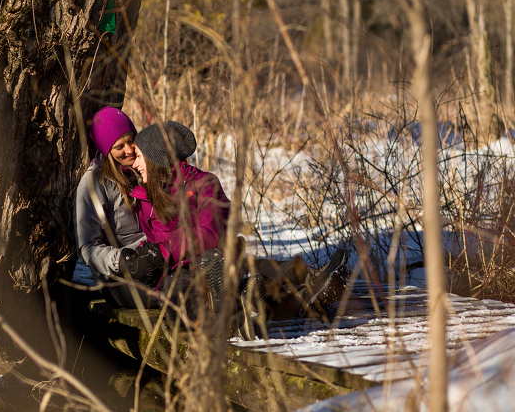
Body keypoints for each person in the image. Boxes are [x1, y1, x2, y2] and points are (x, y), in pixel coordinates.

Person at [129, 120, 348, 335]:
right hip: (181, 273)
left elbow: (209, 234)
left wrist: (165, 249)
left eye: (138, 156)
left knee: (247, 268)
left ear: (157, 156)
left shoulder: (203, 183)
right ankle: (244, 308)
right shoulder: (145, 198)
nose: (134, 164)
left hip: (214, 261)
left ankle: (308, 282)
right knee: (179, 293)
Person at [73, 106, 164, 310]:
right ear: (107, 150)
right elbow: (87, 247)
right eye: (119, 146)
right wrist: (123, 260)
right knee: (165, 299)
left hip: (158, 260)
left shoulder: (145, 170)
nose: (129, 150)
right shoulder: (93, 183)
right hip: (119, 276)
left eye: (131, 140)